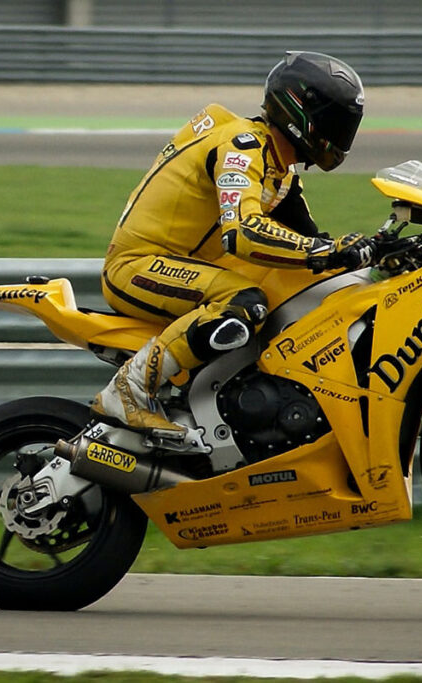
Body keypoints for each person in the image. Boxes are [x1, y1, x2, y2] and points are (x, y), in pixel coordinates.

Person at [91, 51, 374, 438]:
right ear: (300, 110)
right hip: (138, 266)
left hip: (186, 265)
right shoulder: (241, 146)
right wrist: (325, 251)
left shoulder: (280, 172)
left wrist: (377, 250)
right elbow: (241, 232)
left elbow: (312, 240)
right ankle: (129, 389)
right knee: (244, 302)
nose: (340, 135)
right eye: (335, 122)